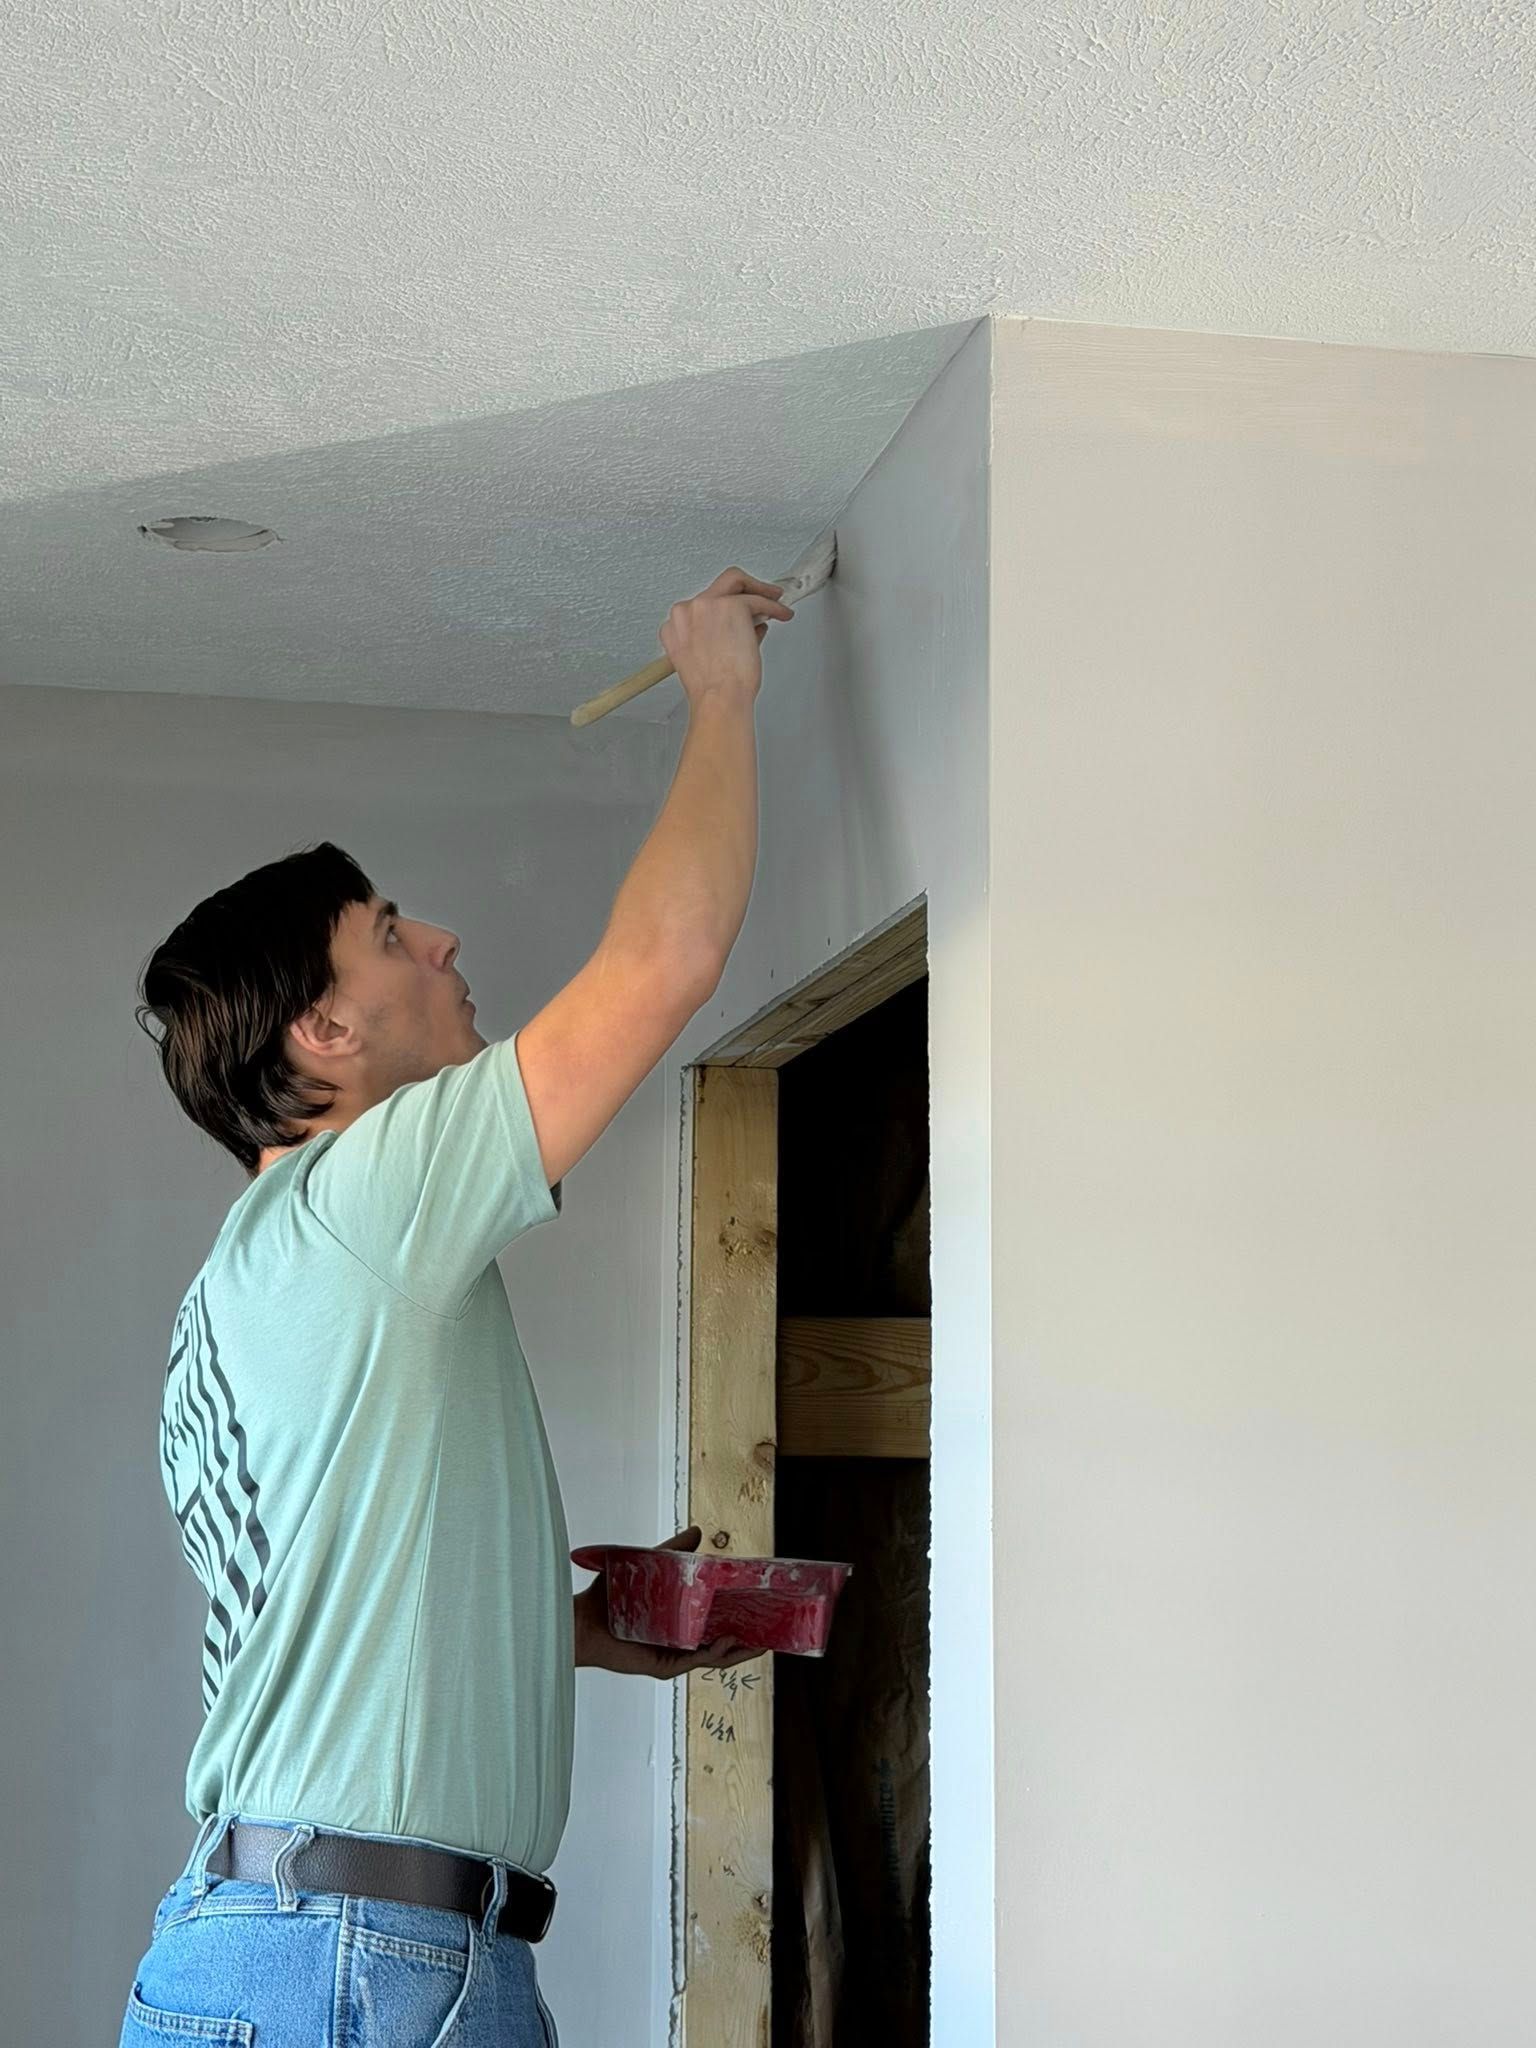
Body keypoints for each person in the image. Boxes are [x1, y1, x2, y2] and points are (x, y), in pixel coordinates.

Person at [119, 567, 798, 2047]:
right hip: (356, 1966)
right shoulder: (359, 1198)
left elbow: (336, 1622)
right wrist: (722, 693)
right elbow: (663, 962)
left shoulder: (249, 1281)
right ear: (326, 1030)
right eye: (393, 929)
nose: (444, 945)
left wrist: (580, 1633)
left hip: (297, 1950)